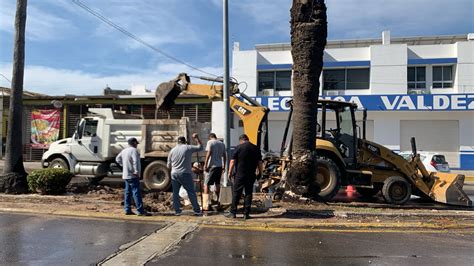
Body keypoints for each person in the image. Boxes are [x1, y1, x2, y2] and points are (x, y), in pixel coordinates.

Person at [225, 134, 263, 219]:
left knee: (236, 193)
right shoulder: (256, 148)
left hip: (240, 174)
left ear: (241, 140)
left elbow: (232, 162)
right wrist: (260, 173)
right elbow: (260, 163)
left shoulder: (238, 147)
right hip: (251, 175)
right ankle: (246, 214)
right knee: (248, 193)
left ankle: (233, 213)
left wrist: (229, 173)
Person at [167, 133, 203, 216]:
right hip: (185, 173)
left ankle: (177, 211)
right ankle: (197, 210)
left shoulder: (172, 150)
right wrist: (197, 138)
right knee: (191, 192)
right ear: (185, 142)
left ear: (178, 142)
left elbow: (168, 165)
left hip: (174, 174)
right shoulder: (188, 147)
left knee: (175, 193)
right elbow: (200, 147)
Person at [116, 137, 150, 216]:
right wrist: (136, 171)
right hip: (133, 175)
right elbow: (135, 161)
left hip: (126, 175)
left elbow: (117, 159)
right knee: (136, 192)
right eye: (136, 144)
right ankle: (140, 210)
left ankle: (127, 209)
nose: (137, 145)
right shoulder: (134, 151)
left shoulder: (124, 151)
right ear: (134, 143)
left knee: (127, 193)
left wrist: (124, 166)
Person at [203, 133, 226, 211]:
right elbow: (224, 155)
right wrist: (224, 166)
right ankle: (219, 203)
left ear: (210, 137)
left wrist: (205, 165)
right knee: (217, 184)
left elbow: (208, 153)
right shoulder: (222, 144)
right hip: (219, 166)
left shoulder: (210, 142)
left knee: (206, 184)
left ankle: (206, 204)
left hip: (212, 166)